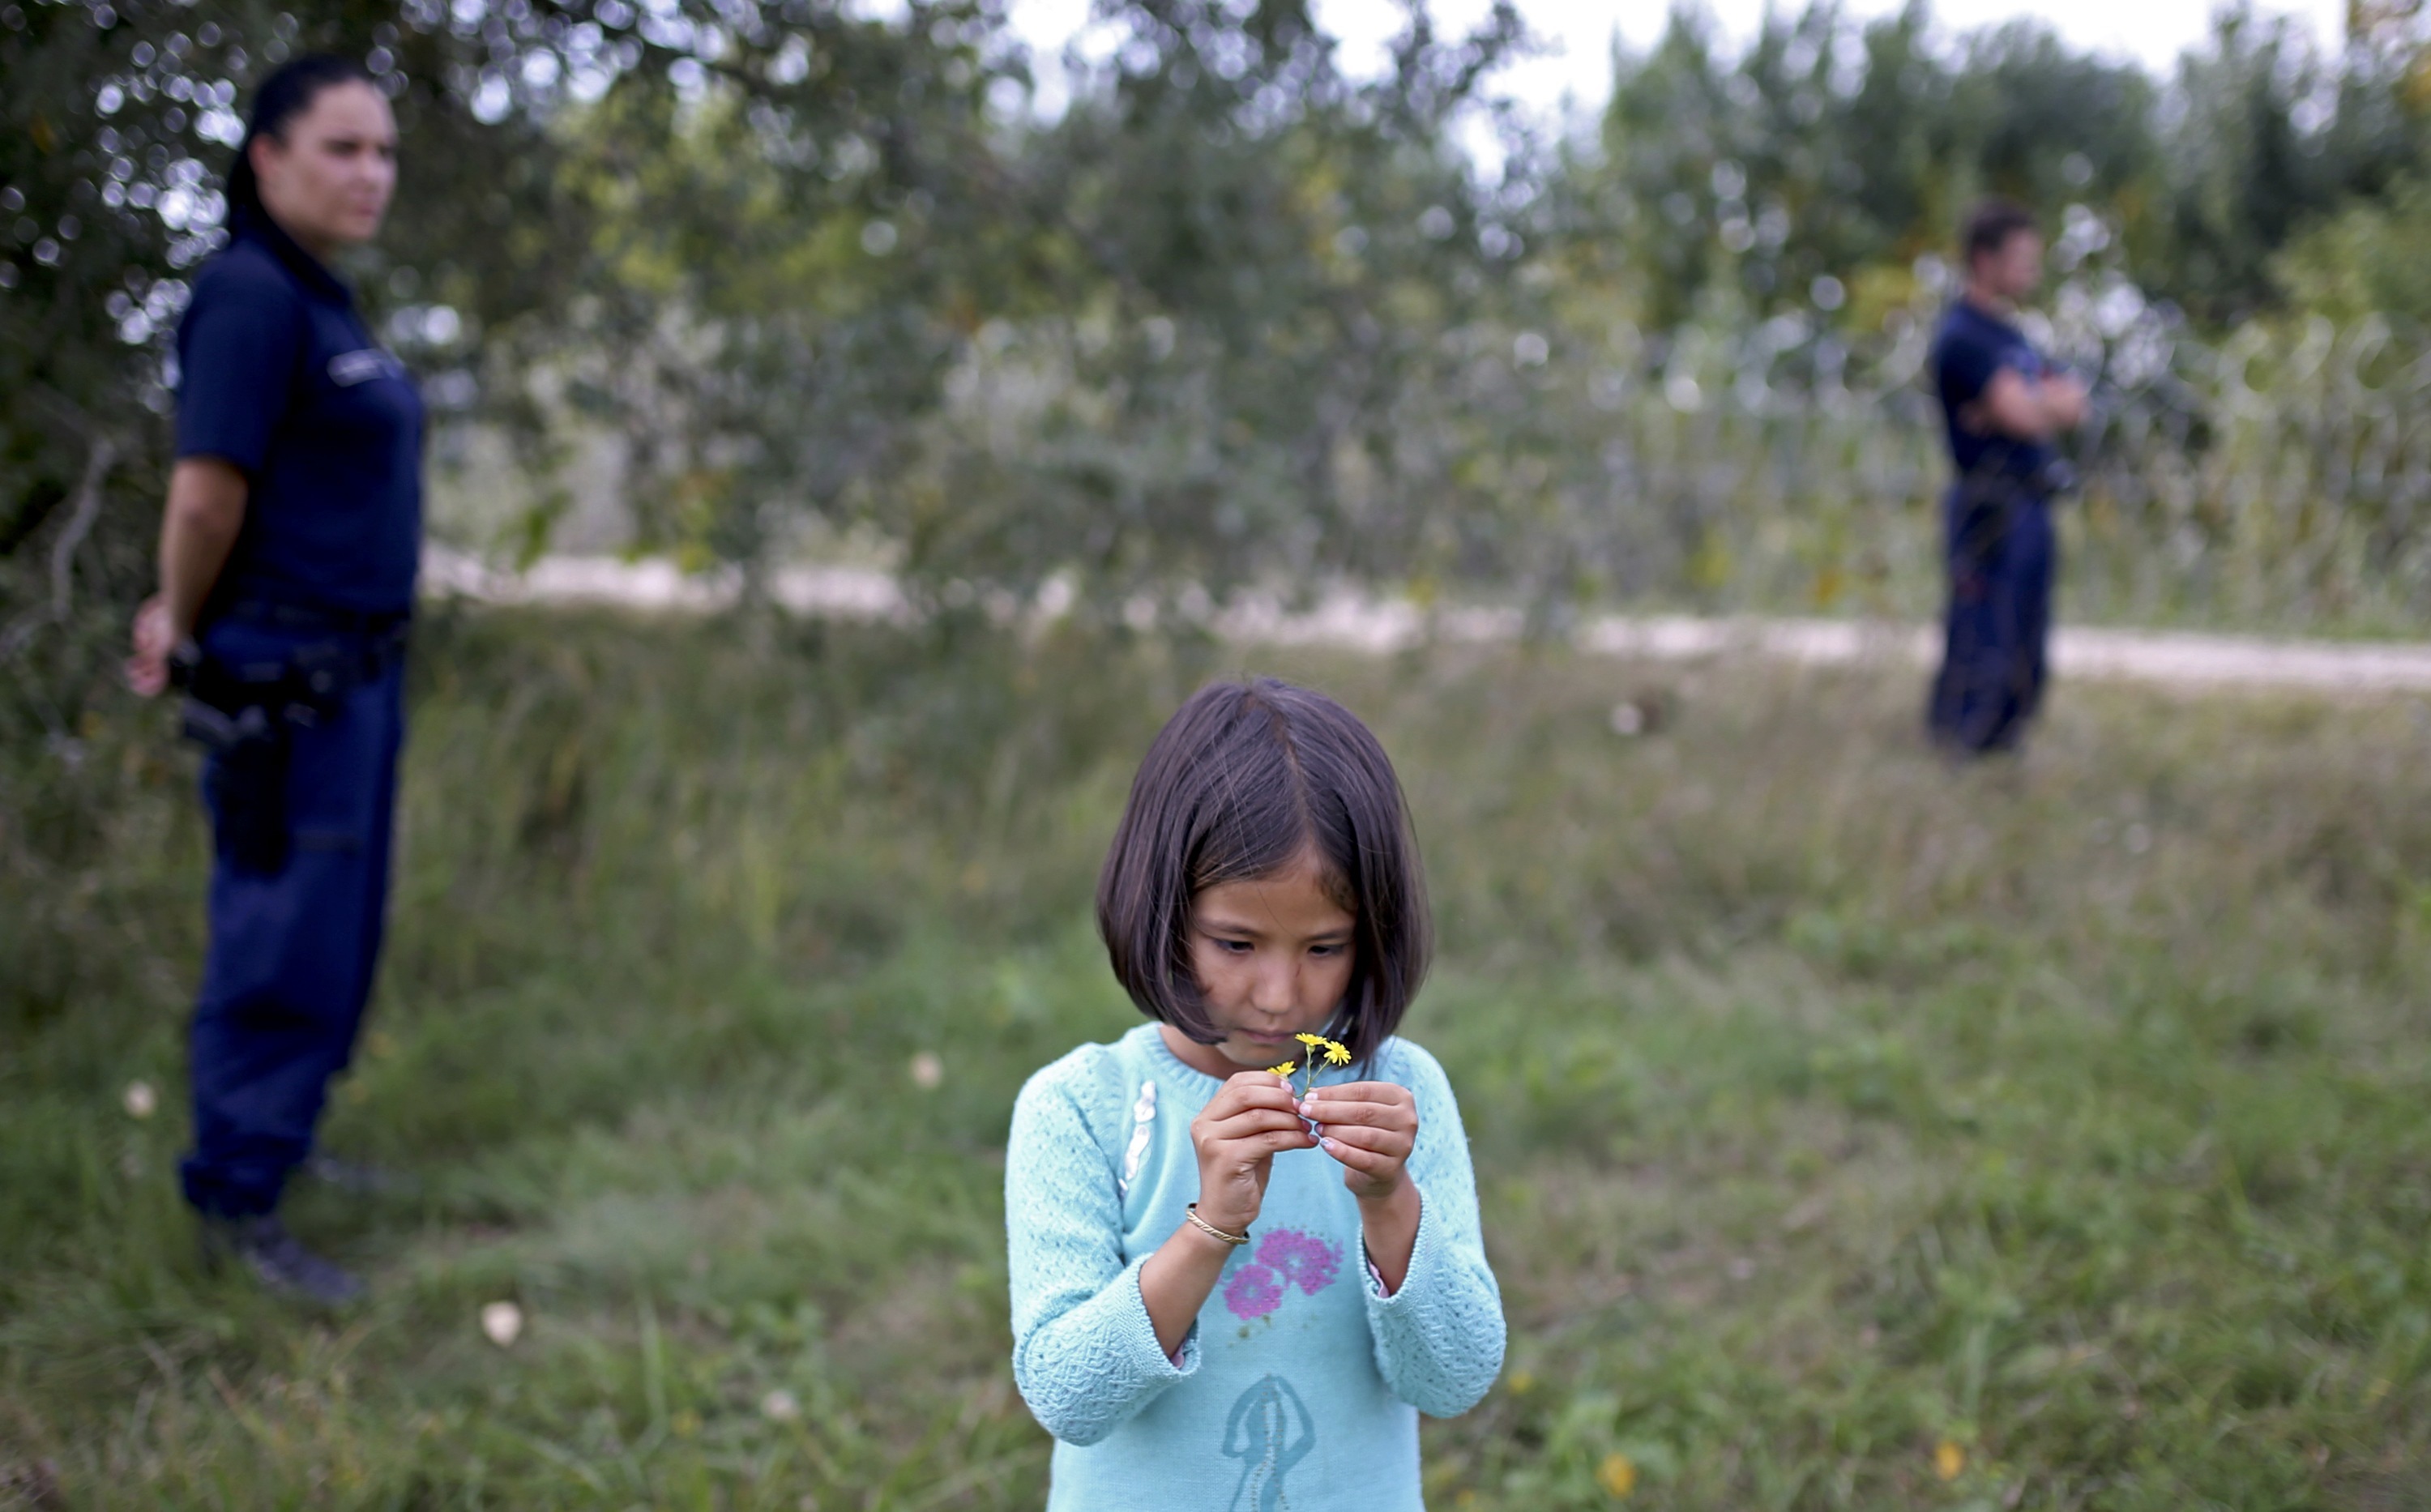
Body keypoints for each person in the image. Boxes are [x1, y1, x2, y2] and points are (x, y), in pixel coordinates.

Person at [1005, 678, 1505, 1510]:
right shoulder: (1081, 1108)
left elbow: (1451, 1381)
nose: (1278, 996)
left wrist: (1389, 1203)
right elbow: (1069, 1398)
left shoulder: (1398, 1093)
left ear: (1374, 933)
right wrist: (1209, 1230)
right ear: (1161, 909)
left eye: (1324, 947)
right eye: (1236, 942)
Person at [125, 54, 423, 1305]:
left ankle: (284, 1144)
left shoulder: (321, 302)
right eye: (342, 148)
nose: (371, 174)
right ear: (268, 156)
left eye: (384, 153)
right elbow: (205, 490)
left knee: (334, 937)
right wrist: (179, 626)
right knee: (276, 939)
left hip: (352, 679)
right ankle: (236, 1201)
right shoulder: (247, 296)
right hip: (280, 683)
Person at [1926, 199, 2089, 755]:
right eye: (2021, 259)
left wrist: (2021, 403)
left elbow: (2074, 405)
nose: (2031, 271)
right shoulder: (1962, 336)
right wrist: (2027, 406)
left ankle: (2004, 747)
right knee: (1982, 632)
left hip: (2032, 501)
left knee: (2026, 638)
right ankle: (1961, 748)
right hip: (1988, 506)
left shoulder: (2016, 339)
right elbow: (2025, 414)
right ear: (1984, 259)